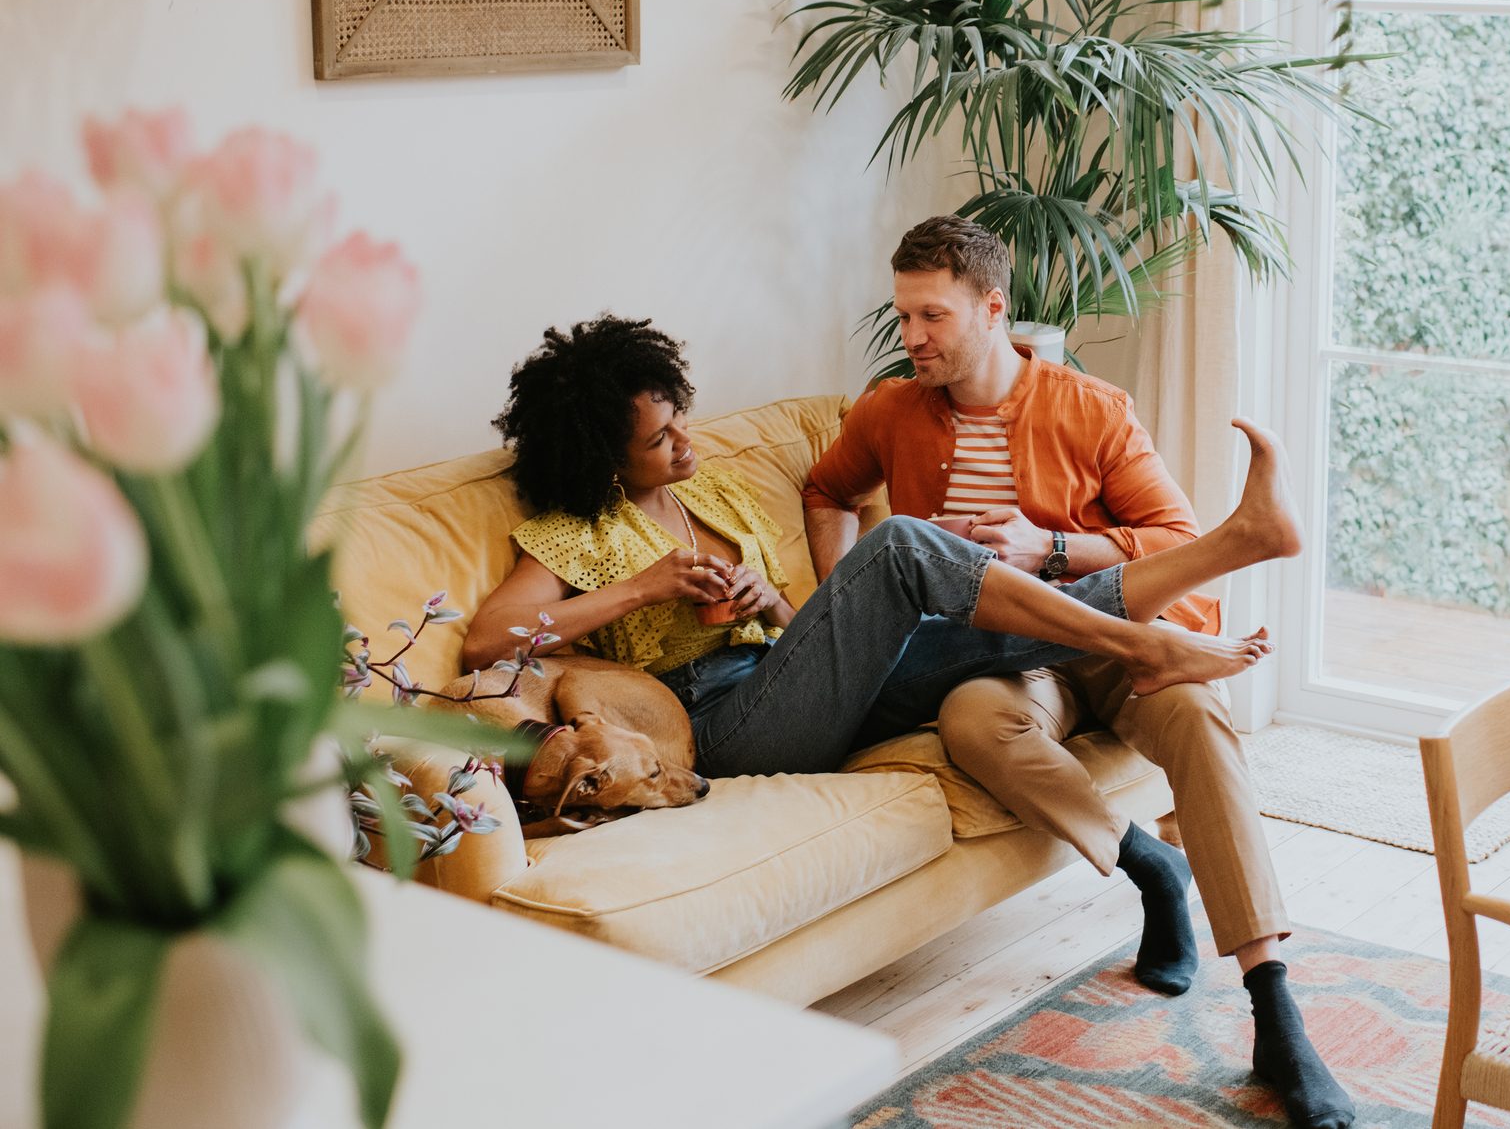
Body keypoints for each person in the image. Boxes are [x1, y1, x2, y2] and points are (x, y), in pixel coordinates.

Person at [801, 217, 1355, 1129]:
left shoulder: (1090, 407)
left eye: (931, 317)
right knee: (974, 723)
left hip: (1106, 639)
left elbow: (1169, 539)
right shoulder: (887, 411)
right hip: (991, 661)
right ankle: (1150, 867)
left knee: (1194, 720)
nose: (911, 340)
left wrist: (1050, 546)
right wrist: (840, 605)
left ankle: (1273, 1007)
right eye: (902, 318)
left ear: (993, 308)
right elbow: (827, 491)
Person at [459, 315, 1293, 783]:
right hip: (718, 725)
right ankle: (1150, 640)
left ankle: (1231, 544)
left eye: (680, 416)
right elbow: (488, 642)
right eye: (657, 440)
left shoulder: (706, 491)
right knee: (897, 545)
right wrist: (641, 588)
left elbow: (787, 633)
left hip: (782, 677)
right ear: (602, 460)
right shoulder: (577, 532)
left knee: (983, 630)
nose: (684, 443)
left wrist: (770, 600)